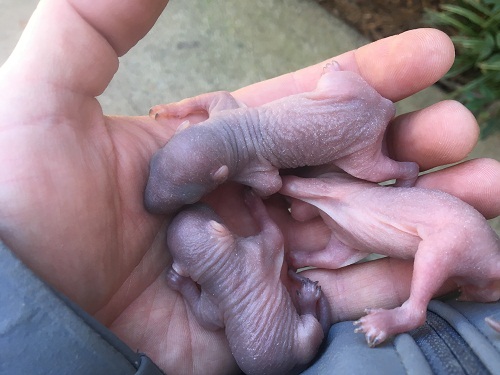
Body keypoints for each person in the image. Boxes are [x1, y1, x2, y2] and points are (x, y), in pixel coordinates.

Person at [0, 1, 499, 374]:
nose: (162, 202)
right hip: (349, 123)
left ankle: (387, 194)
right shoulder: (231, 147)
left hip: (312, 305)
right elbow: (261, 192)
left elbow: (270, 189)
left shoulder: (256, 195)